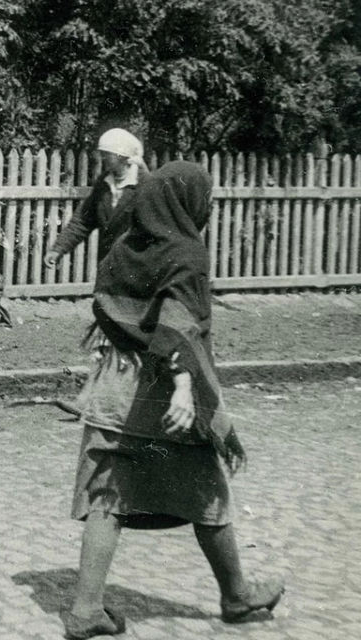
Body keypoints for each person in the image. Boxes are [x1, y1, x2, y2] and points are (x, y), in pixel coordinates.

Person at [62, 162, 283, 639]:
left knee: (109, 495)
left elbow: (106, 305)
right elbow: (178, 321)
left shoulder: (124, 247)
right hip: (162, 402)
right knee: (206, 490)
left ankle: (85, 610)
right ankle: (237, 596)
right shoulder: (187, 252)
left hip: (114, 391)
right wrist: (184, 385)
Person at [44, 128, 148, 271]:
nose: (103, 158)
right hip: (108, 264)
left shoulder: (145, 185)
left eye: (107, 154)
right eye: (103, 154)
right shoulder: (104, 184)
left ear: (123, 156)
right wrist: (58, 249)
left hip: (138, 266)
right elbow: (83, 220)